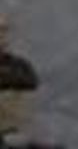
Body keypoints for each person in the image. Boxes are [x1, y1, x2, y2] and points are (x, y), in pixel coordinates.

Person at [0, 15, 60, 149]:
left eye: (3, 31)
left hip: (17, 130)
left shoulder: (20, 65)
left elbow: (29, 81)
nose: (2, 36)